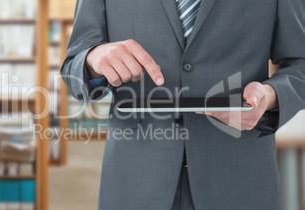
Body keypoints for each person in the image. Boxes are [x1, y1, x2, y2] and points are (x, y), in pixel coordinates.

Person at [60, 0, 305, 209]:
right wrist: (94, 59)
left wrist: (270, 94)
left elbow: (301, 63)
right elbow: (74, 69)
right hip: (135, 179)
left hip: (240, 180)